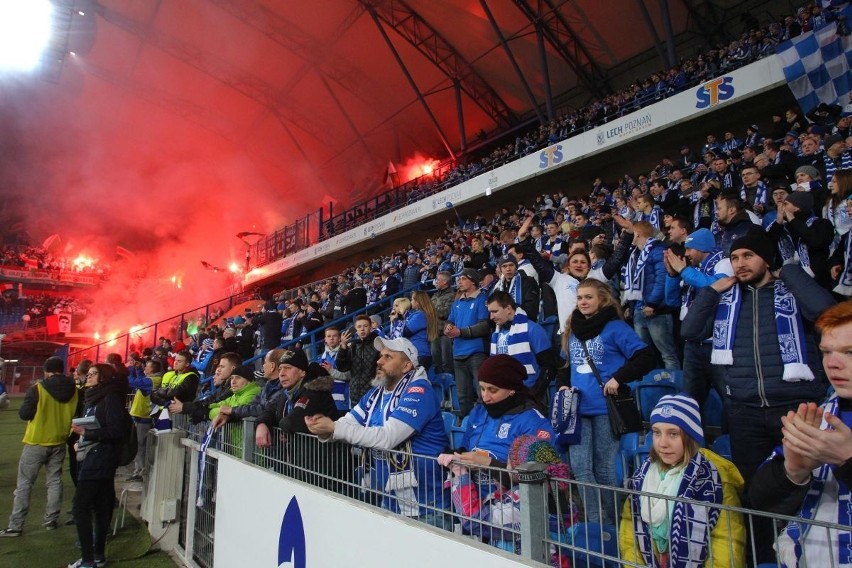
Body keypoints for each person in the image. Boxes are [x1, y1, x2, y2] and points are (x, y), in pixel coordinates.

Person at [681, 233, 835, 486]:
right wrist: (710, 291)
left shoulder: (792, 291)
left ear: (766, 260)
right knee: (755, 491)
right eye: (734, 258)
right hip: (744, 411)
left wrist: (788, 273)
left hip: (796, 408)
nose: (740, 263)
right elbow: (690, 331)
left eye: (748, 256)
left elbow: (825, 311)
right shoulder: (725, 298)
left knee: (805, 484)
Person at [306, 337, 449, 528]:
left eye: (388, 357)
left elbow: (387, 437)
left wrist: (334, 428)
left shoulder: (419, 391)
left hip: (426, 508)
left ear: (406, 366)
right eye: (380, 356)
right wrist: (324, 430)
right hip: (390, 502)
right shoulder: (375, 394)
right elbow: (348, 422)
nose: (379, 361)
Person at [749, 301, 852, 567]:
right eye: (826, 352)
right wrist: (793, 470)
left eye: (849, 352)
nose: (833, 364)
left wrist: (847, 460)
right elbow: (760, 499)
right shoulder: (820, 415)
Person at [558, 279, 656, 523]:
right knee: (580, 469)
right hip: (577, 410)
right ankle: (595, 526)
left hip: (605, 408)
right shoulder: (572, 327)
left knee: (603, 470)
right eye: (580, 297)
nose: (583, 302)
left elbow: (646, 357)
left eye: (588, 297)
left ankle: (618, 524)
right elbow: (565, 364)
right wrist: (562, 383)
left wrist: (618, 379)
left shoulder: (615, 328)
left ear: (602, 299)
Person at [619, 394, 745, 568]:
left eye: (673, 434)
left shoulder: (715, 480)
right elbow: (629, 532)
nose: (662, 443)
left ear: (691, 437)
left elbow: (727, 545)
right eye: (656, 432)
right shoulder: (641, 476)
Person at [438, 355, 555, 539]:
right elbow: (466, 447)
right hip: (472, 506)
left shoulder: (532, 422)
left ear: (511, 390)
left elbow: (538, 479)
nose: (485, 397)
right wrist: (455, 455)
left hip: (510, 519)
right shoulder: (479, 412)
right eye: (482, 388)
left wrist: (489, 463)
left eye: (493, 390)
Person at [1, 357, 78, 537]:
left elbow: (24, 414)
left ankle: (16, 525)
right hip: (59, 440)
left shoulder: (38, 388)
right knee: (54, 481)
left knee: (25, 484)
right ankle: (51, 519)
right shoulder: (74, 390)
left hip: (36, 440)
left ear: (46, 371)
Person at [67, 364, 130, 568]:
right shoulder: (93, 397)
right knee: (102, 506)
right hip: (94, 455)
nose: (89, 377)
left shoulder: (109, 398)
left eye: (93, 374)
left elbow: (115, 430)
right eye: (89, 374)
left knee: (80, 507)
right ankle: (98, 556)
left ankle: (87, 559)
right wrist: (81, 441)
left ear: (103, 377)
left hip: (101, 458)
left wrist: (88, 434)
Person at [623, 220, 680, 370]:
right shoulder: (635, 254)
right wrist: (631, 305)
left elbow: (662, 278)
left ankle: (674, 388)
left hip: (657, 311)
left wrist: (652, 303)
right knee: (646, 355)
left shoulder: (658, 250)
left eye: (632, 234)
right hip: (640, 310)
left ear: (638, 234)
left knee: (667, 354)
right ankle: (654, 388)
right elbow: (635, 281)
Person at [487, 291, 557, 398]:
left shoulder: (533, 329)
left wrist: (534, 393)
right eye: (490, 312)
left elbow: (549, 366)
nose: (491, 317)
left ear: (508, 309)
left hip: (528, 394)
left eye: (495, 311)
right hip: (504, 395)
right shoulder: (495, 335)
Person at [445, 268, 491, 416]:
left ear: (472, 281)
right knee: (463, 397)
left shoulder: (482, 299)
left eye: (463, 278)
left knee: (482, 394)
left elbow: (485, 326)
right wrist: (448, 327)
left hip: (476, 353)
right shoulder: (457, 302)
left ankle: (484, 424)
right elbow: (450, 320)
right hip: (458, 353)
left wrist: (461, 332)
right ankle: (468, 428)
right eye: (459, 279)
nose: (459, 281)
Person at [127, 358, 163, 482]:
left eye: (147, 367)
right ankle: (139, 471)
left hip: (144, 417)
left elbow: (133, 382)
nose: (145, 368)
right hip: (140, 415)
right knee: (139, 445)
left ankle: (142, 472)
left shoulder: (154, 380)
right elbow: (141, 381)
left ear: (153, 369)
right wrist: (137, 369)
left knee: (140, 446)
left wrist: (131, 370)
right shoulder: (151, 379)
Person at [336, 315, 380, 406]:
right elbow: (342, 367)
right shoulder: (353, 346)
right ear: (355, 329)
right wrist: (343, 347)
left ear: (371, 327)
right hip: (355, 395)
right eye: (359, 327)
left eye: (365, 326)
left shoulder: (378, 343)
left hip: (373, 393)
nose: (362, 329)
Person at [430, 271, 456, 374]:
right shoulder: (435, 295)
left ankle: (451, 388)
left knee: (447, 363)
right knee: (436, 364)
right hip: (434, 333)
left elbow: (447, 313)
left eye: (438, 280)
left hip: (446, 334)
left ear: (445, 282)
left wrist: (431, 311)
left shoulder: (452, 295)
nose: (436, 282)